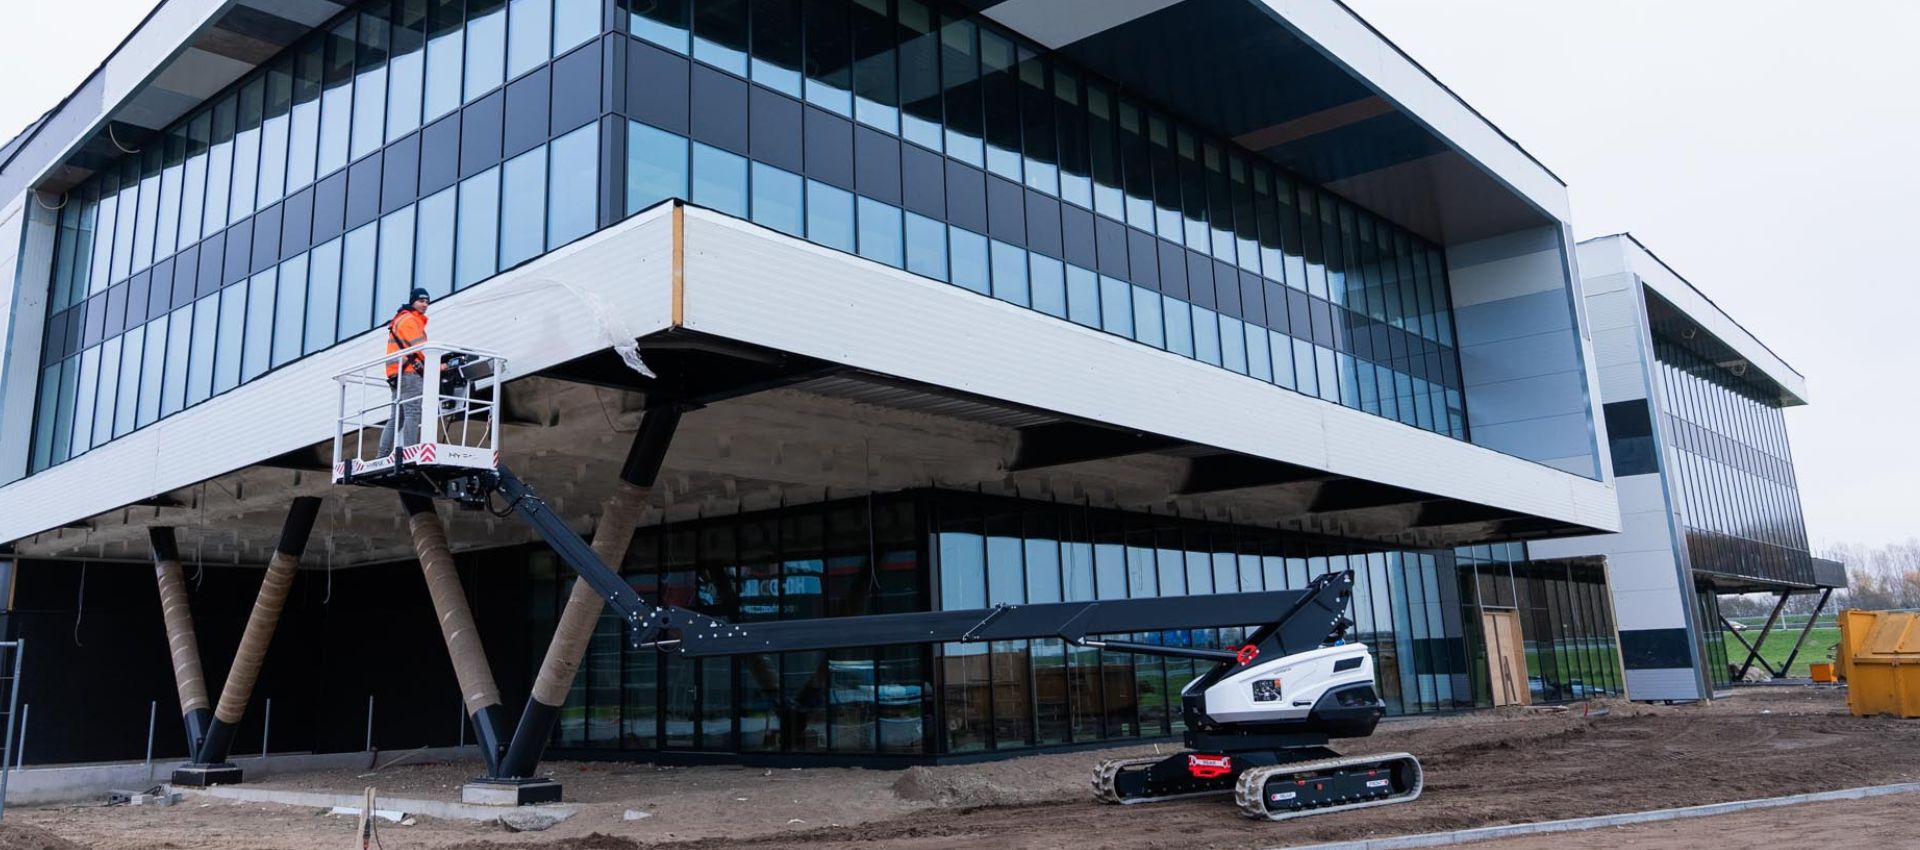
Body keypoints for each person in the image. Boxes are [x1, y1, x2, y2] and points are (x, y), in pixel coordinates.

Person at [376, 288, 432, 458]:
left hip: (397, 373)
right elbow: (421, 349)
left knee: (397, 417)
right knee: (412, 413)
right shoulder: (410, 320)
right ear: (413, 301)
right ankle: (410, 452)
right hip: (408, 373)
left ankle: (382, 455)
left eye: (427, 302)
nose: (425, 305)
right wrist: (437, 366)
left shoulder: (401, 319)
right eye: (421, 301)